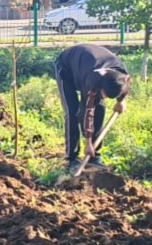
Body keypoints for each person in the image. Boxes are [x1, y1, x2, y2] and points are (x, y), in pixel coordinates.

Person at [54, 44, 131, 174]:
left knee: (100, 107)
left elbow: (125, 86)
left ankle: (94, 156)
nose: (105, 97)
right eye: (104, 94)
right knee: (72, 111)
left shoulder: (122, 75)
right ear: (101, 86)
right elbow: (87, 112)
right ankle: (71, 158)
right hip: (66, 67)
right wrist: (88, 141)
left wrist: (121, 101)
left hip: (86, 63)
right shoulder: (93, 81)